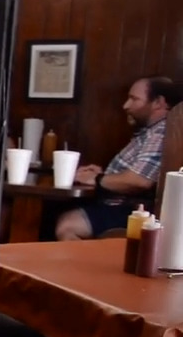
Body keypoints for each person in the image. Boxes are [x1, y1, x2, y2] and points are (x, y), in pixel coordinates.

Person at [55, 76, 175, 240]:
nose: (126, 106)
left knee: (67, 225)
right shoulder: (150, 131)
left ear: (158, 102)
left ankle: (84, 266)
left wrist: (97, 179)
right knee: (54, 213)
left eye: (134, 99)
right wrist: (104, 174)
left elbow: (140, 180)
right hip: (119, 205)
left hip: (132, 210)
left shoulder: (160, 132)